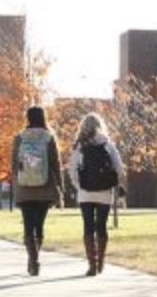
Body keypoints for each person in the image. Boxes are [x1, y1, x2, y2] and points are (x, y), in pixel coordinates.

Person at [68, 113, 123, 277]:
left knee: (88, 227)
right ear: (100, 126)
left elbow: (72, 170)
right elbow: (118, 168)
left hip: (85, 194)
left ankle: (91, 264)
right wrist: (111, 183)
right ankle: (101, 261)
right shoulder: (108, 144)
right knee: (102, 226)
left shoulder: (80, 145)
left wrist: (80, 187)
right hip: (104, 193)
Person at [10, 106, 63, 277]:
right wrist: (60, 186)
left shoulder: (19, 137)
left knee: (28, 226)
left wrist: (20, 179)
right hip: (44, 189)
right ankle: (34, 258)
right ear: (43, 118)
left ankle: (33, 260)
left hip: (25, 189)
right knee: (39, 226)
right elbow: (56, 164)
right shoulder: (49, 137)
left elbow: (13, 165)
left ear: (28, 118)